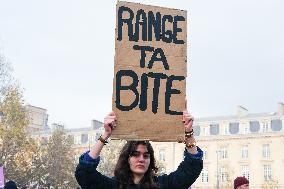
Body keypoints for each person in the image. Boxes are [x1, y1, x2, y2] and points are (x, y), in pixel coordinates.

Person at [75, 106, 203, 189]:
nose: (141, 159)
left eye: (146, 155)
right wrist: (106, 134)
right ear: (127, 159)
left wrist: (188, 132)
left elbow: (191, 168)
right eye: (135, 154)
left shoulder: (163, 185)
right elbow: (84, 174)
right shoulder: (112, 186)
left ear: (150, 161)